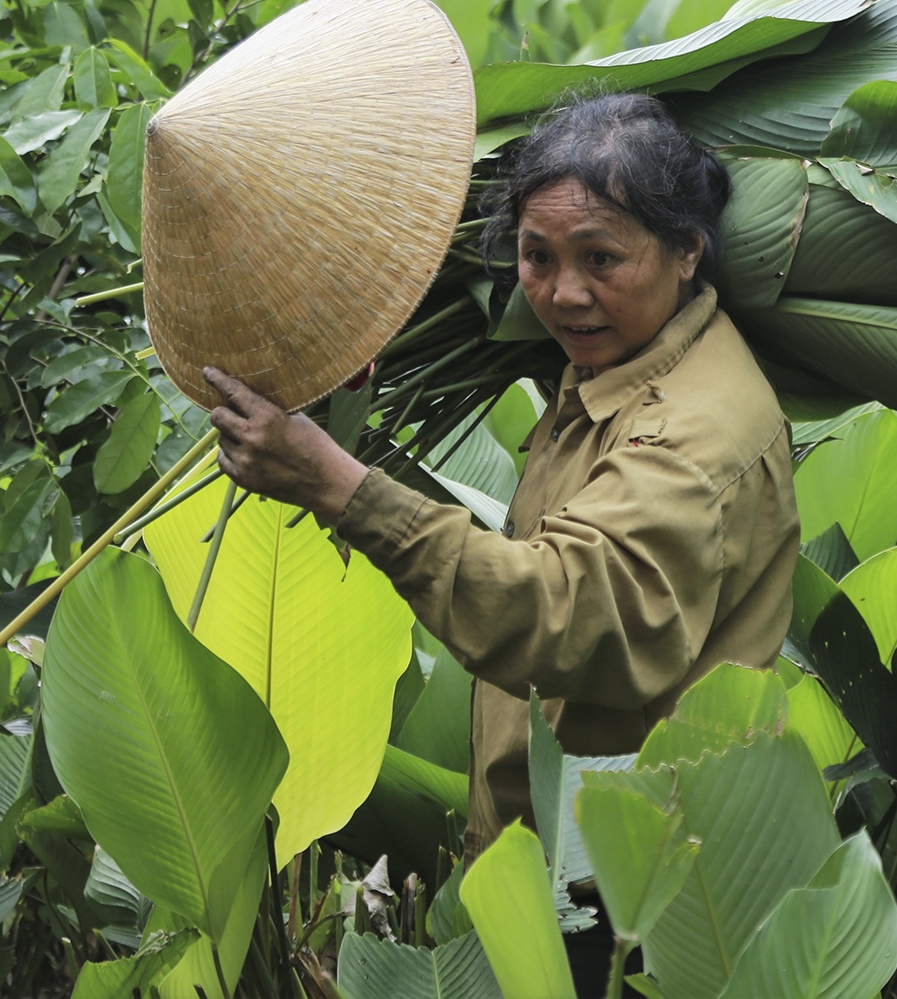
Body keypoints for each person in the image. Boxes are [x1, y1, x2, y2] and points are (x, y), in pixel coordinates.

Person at [200, 93, 800, 984]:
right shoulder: (614, 364)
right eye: (536, 256)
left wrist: (335, 483)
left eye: (602, 257)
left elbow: (563, 611)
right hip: (557, 867)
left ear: (687, 252)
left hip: (638, 899)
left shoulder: (697, 435)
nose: (564, 292)